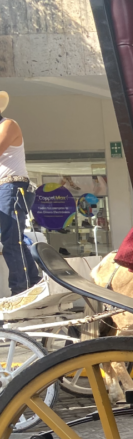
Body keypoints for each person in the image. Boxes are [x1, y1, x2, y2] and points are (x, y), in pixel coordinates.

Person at [0, 91, 41, 295]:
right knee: (13, 238)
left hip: (12, 187)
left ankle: (21, 289)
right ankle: (33, 282)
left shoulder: (8, 124)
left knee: (11, 240)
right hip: (5, 188)